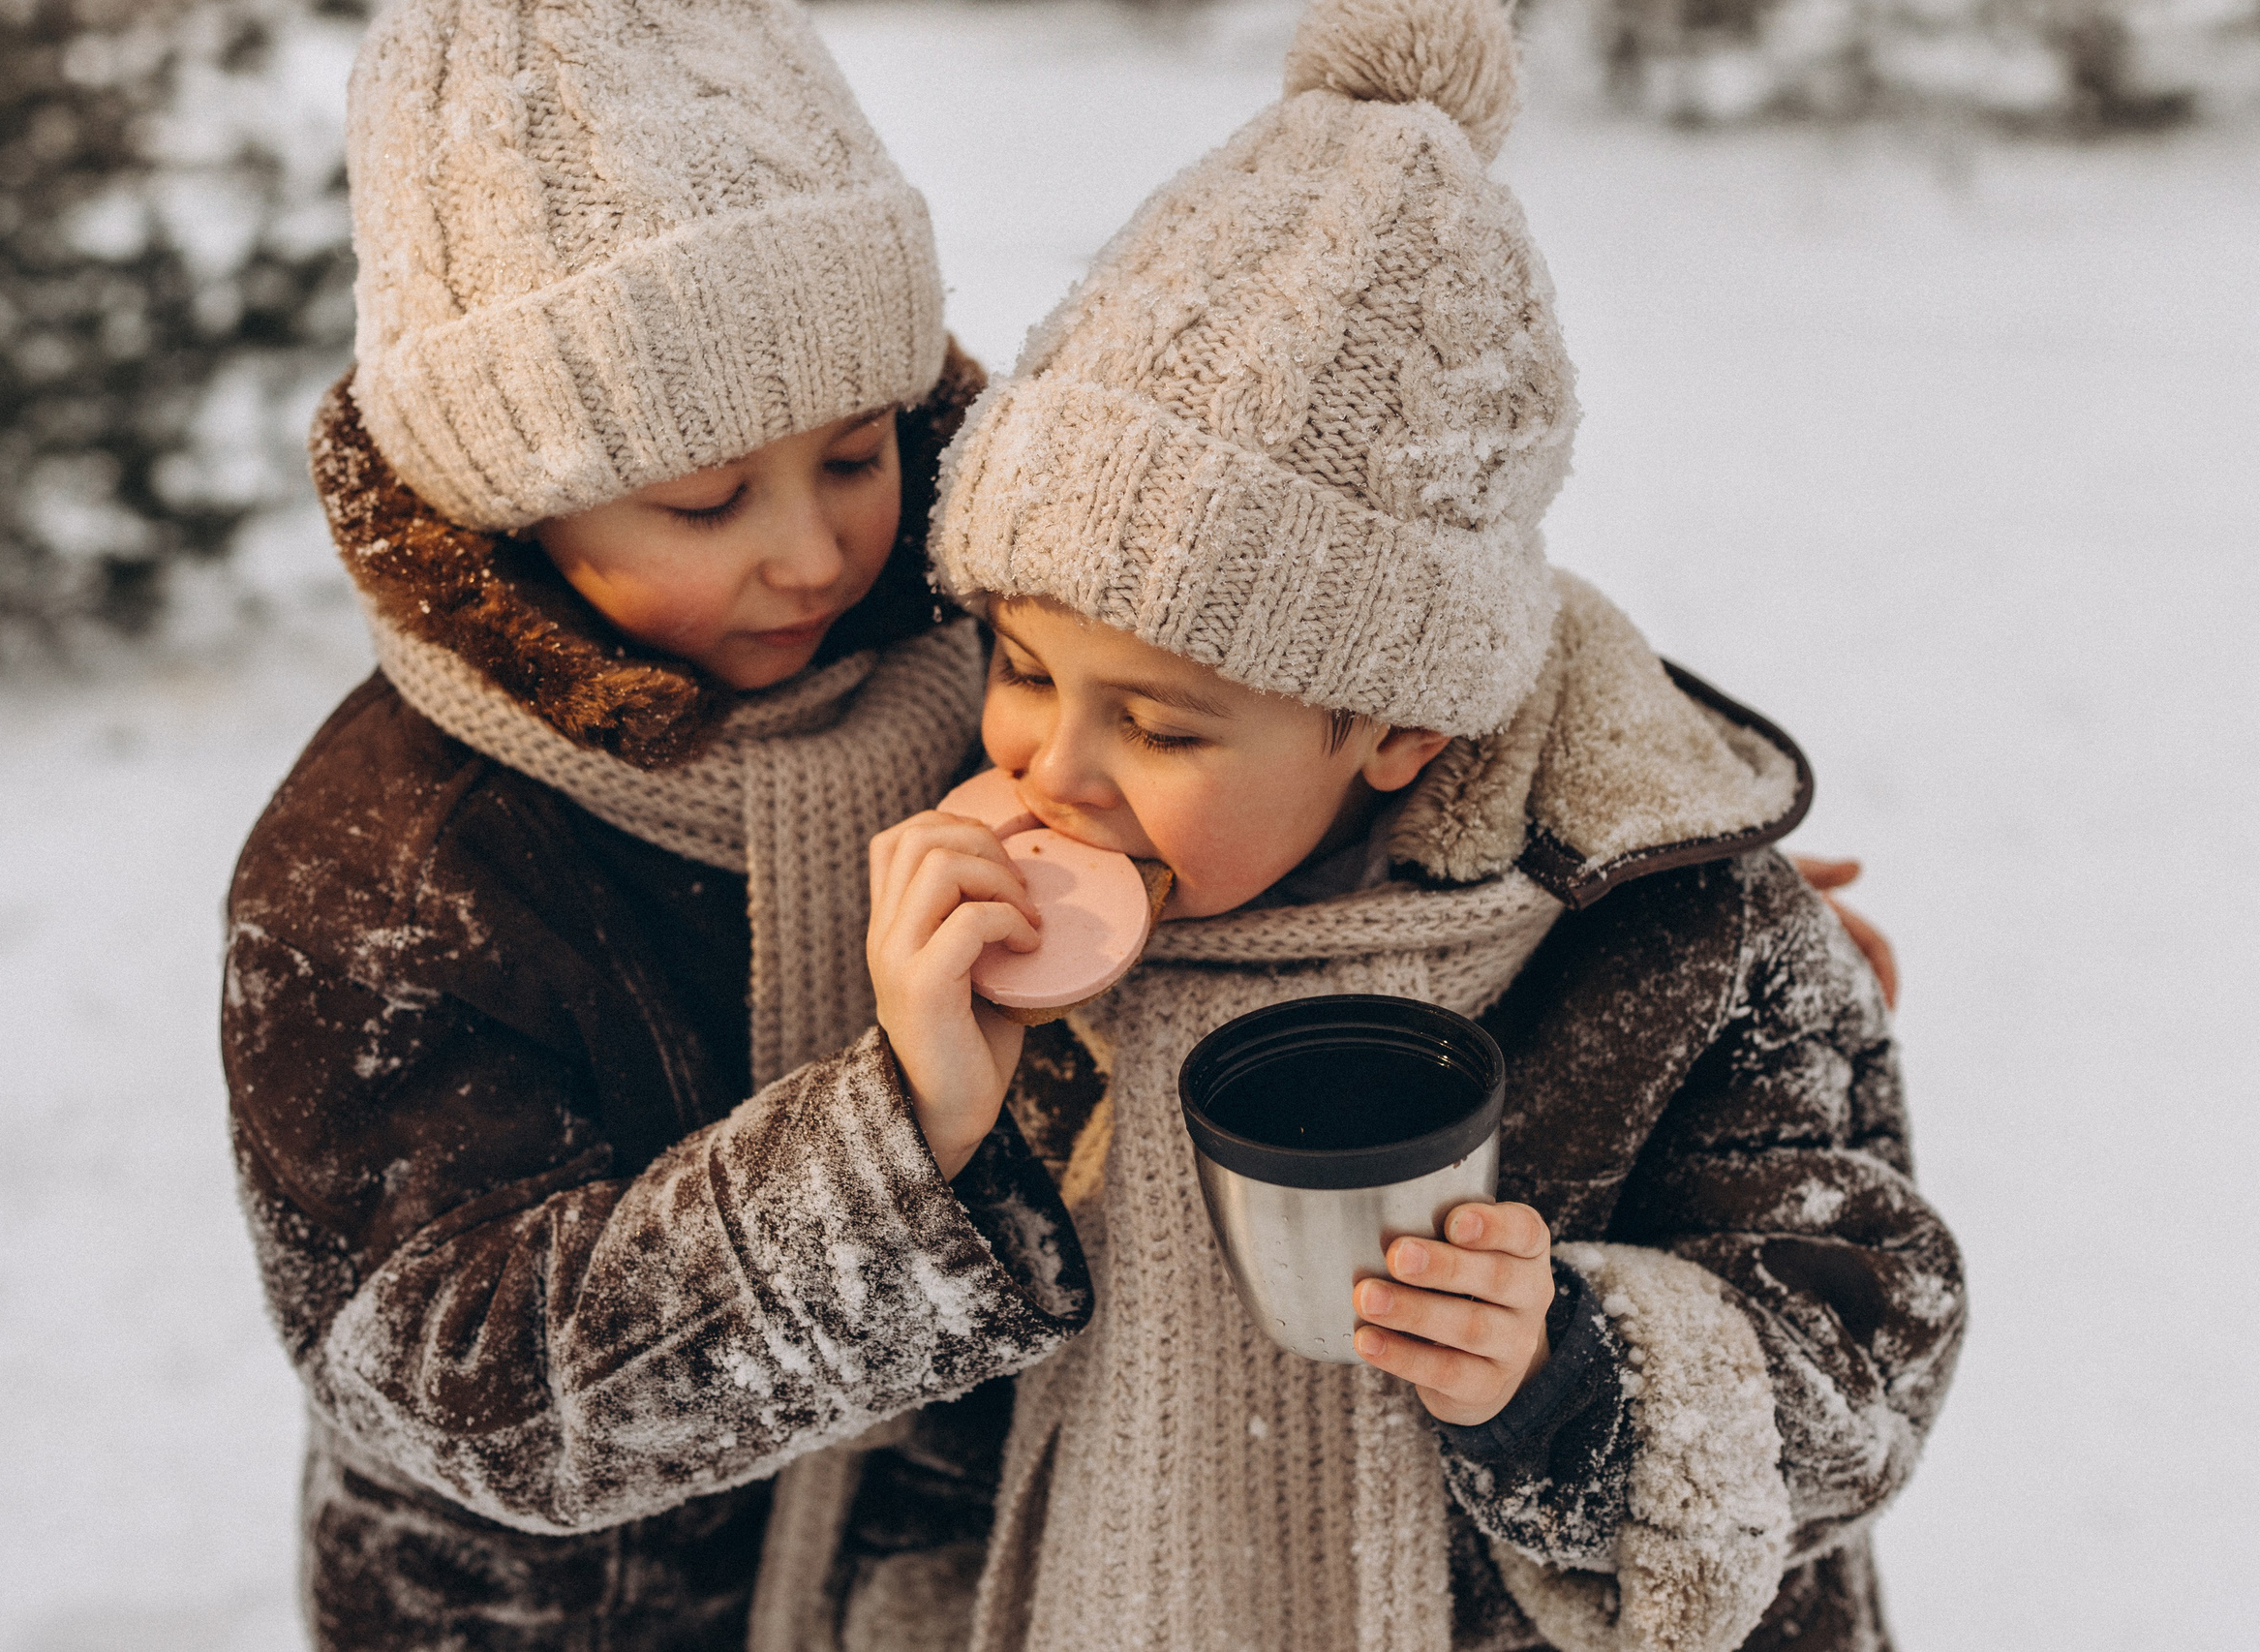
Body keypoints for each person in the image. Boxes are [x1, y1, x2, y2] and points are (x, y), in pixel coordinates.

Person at [851, 1, 1965, 1647]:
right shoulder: (971, 906)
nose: (1055, 768)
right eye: (1021, 664)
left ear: (1395, 729)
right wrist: (922, 1135)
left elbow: (1873, 1338)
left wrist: (1573, 1377)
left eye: (1161, 723)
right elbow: (921, 1440)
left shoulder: (1671, 942)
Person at [220, 2, 1097, 1644]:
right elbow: (462, 1389)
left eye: (857, 453)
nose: (814, 556)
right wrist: (894, 1146)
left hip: (915, 1576)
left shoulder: (1011, 666)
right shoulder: (391, 874)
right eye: (703, 503)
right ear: (510, 508)